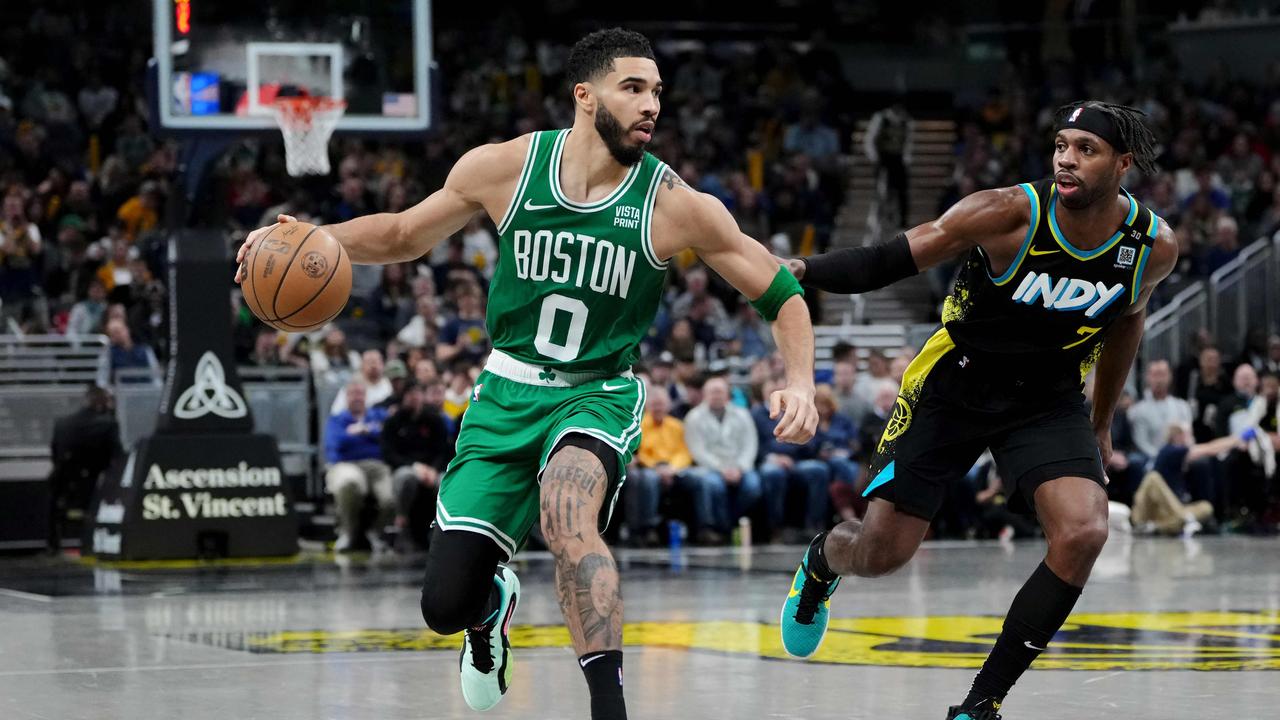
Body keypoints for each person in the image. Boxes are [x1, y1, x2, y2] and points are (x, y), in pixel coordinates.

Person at [235, 28, 817, 719]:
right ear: (584, 95)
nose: (651, 104)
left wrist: (801, 382)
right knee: (444, 606)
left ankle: (610, 707)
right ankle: (491, 610)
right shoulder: (506, 168)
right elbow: (400, 235)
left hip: (596, 394)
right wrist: (312, 240)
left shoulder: (675, 205)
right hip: (506, 391)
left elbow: (780, 292)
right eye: (633, 88)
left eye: (657, 91)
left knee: (568, 514)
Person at [779, 101, 1178, 720]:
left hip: (1046, 397)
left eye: (1086, 149)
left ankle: (980, 703)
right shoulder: (1008, 212)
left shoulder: (1152, 246)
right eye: (1061, 145)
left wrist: (1101, 420)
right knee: (883, 554)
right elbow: (892, 257)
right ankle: (823, 559)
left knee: (1084, 531)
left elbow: (1128, 321)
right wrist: (801, 270)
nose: (1067, 159)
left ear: (1122, 164)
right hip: (955, 383)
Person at [683, 376, 764, 544]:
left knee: (753, 486)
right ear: (705, 394)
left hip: (740, 466)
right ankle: (720, 528)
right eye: (712, 392)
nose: (716, 395)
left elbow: (750, 444)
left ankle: (734, 523)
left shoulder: (742, 414)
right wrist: (722, 469)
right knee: (713, 485)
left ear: (727, 394)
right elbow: (697, 450)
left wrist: (740, 468)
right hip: (710, 468)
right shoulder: (693, 417)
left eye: (720, 392)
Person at [48, 385, 122, 553]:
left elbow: (54, 453)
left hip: (61, 481)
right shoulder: (108, 424)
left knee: (56, 500)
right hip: (91, 485)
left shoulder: (62, 423)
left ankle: (53, 544)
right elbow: (117, 457)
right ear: (103, 403)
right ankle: (91, 543)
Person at [382, 382, 454, 552]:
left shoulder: (435, 420)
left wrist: (434, 469)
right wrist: (414, 466)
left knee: (447, 484)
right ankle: (401, 521)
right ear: (403, 398)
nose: (414, 398)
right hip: (406, 467)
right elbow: (390, 454)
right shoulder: (393, 422)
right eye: (409, 394)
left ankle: (446, 528)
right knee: (406, 477)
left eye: (417, 393)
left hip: (432, 469)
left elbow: (443, 450)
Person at [324, 383, 392, 553]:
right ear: (346, 397)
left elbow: (387, 436)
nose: (357, 397)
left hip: (377, 466)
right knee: (350, 483)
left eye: (360, 394)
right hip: (345, 464)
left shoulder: (378, 415)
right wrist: (363, 435)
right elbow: (336, 442)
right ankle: (347, 533)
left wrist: (364, 431)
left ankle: (375, 533)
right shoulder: (337, 419)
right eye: (353, 394)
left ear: (366, 397)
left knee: (390, 497)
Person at [625, 387, 692, 546]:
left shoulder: (676, 426)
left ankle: (702, 528)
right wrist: (656, 468)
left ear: (668, 405)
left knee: (697, 479)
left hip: (674, 468)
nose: (658, 408)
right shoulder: (639, 425)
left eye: (661, 404)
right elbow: (640, 453)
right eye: (654, 404)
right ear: (647, 406)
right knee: (649, 479)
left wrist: (673, 468)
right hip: (649, 468)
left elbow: (684, 452)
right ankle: (649, 528)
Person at [863, 98, 914, 227]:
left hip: (898, 159)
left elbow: (908, 142)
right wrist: (875, 158)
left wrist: (907, 158)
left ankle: (901, 221)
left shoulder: (906, 121)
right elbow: (870, 140)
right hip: (883, 159)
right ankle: (877, 218)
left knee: (901, 191)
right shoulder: (881, 118)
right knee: (882, 190)